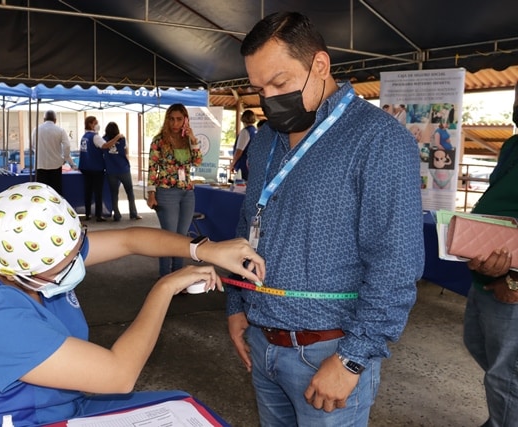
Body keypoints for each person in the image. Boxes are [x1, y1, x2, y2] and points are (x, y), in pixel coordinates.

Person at [226, 12, 424, 426]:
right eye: (260, 88)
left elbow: (396, 262)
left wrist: (352, 360)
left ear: (320, 65)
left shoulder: (379, 141)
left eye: (280, 83)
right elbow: (247, 230)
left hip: (328, 353)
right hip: (262, 341)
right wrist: (237, 304)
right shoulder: (264, 141)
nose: (269, 98)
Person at [0, 181, 264, 426]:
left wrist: (205, 250)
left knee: (183, 406)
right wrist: (164, 288)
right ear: (21, 272)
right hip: (29, 421)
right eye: (64, 263)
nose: (77, 263)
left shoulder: (25, 255)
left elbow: (130, 239)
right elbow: (118, 375)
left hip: (65, 406)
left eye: (77, 250)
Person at [462, 84, 518, 427]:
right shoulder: (512, 146)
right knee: (483, 349)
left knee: (507, 378)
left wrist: (511, 278)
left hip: (510, 285)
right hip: (486, 274)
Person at [147, 104, 203, 277]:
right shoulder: (159, 140)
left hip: (187, 192)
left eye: (179, 119)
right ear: (167, 119)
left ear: (185, 119)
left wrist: (192, 138)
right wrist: (151, 193)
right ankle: (165, 277)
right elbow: (152, 167)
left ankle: (177, 277)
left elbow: (197, 161)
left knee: (182, 238)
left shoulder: (188, 139)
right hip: (166, 192)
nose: (175, 123)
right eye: (171, 119)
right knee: (168, 238)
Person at [78, 116, 123, 222]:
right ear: (90, 124)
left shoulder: (84, 136)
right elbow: (105, 145)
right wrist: (117, 137)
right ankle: (98, 215)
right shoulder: (95, 137)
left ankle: (88, 214)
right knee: (98, 192)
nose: (97, 124)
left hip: (85, 167)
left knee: (88, 191)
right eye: (95, 122)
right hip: (96, 167)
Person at [102, 121, 142, 221]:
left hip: (111, 170)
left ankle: (117, 215)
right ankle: (133, 213)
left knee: (114, 193)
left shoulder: (104, 140)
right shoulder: (122, 139)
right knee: (130, 192)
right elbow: (126, 152)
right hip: (123, 169)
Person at [31, 110, 76, 196]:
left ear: (44, 119)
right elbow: (67, 146)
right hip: (55, 166)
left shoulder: (36, 130)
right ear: (55, 120)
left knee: (41, 194)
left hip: (40, 166)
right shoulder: (60, 130)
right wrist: (66, 159)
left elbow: (33, 146)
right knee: (55, 194)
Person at [230, 109, 257, 181]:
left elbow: (239, 151)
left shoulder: (245, 131)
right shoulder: (255, 131)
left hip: (243, 165)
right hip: (251, 164)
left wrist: (232, 164)